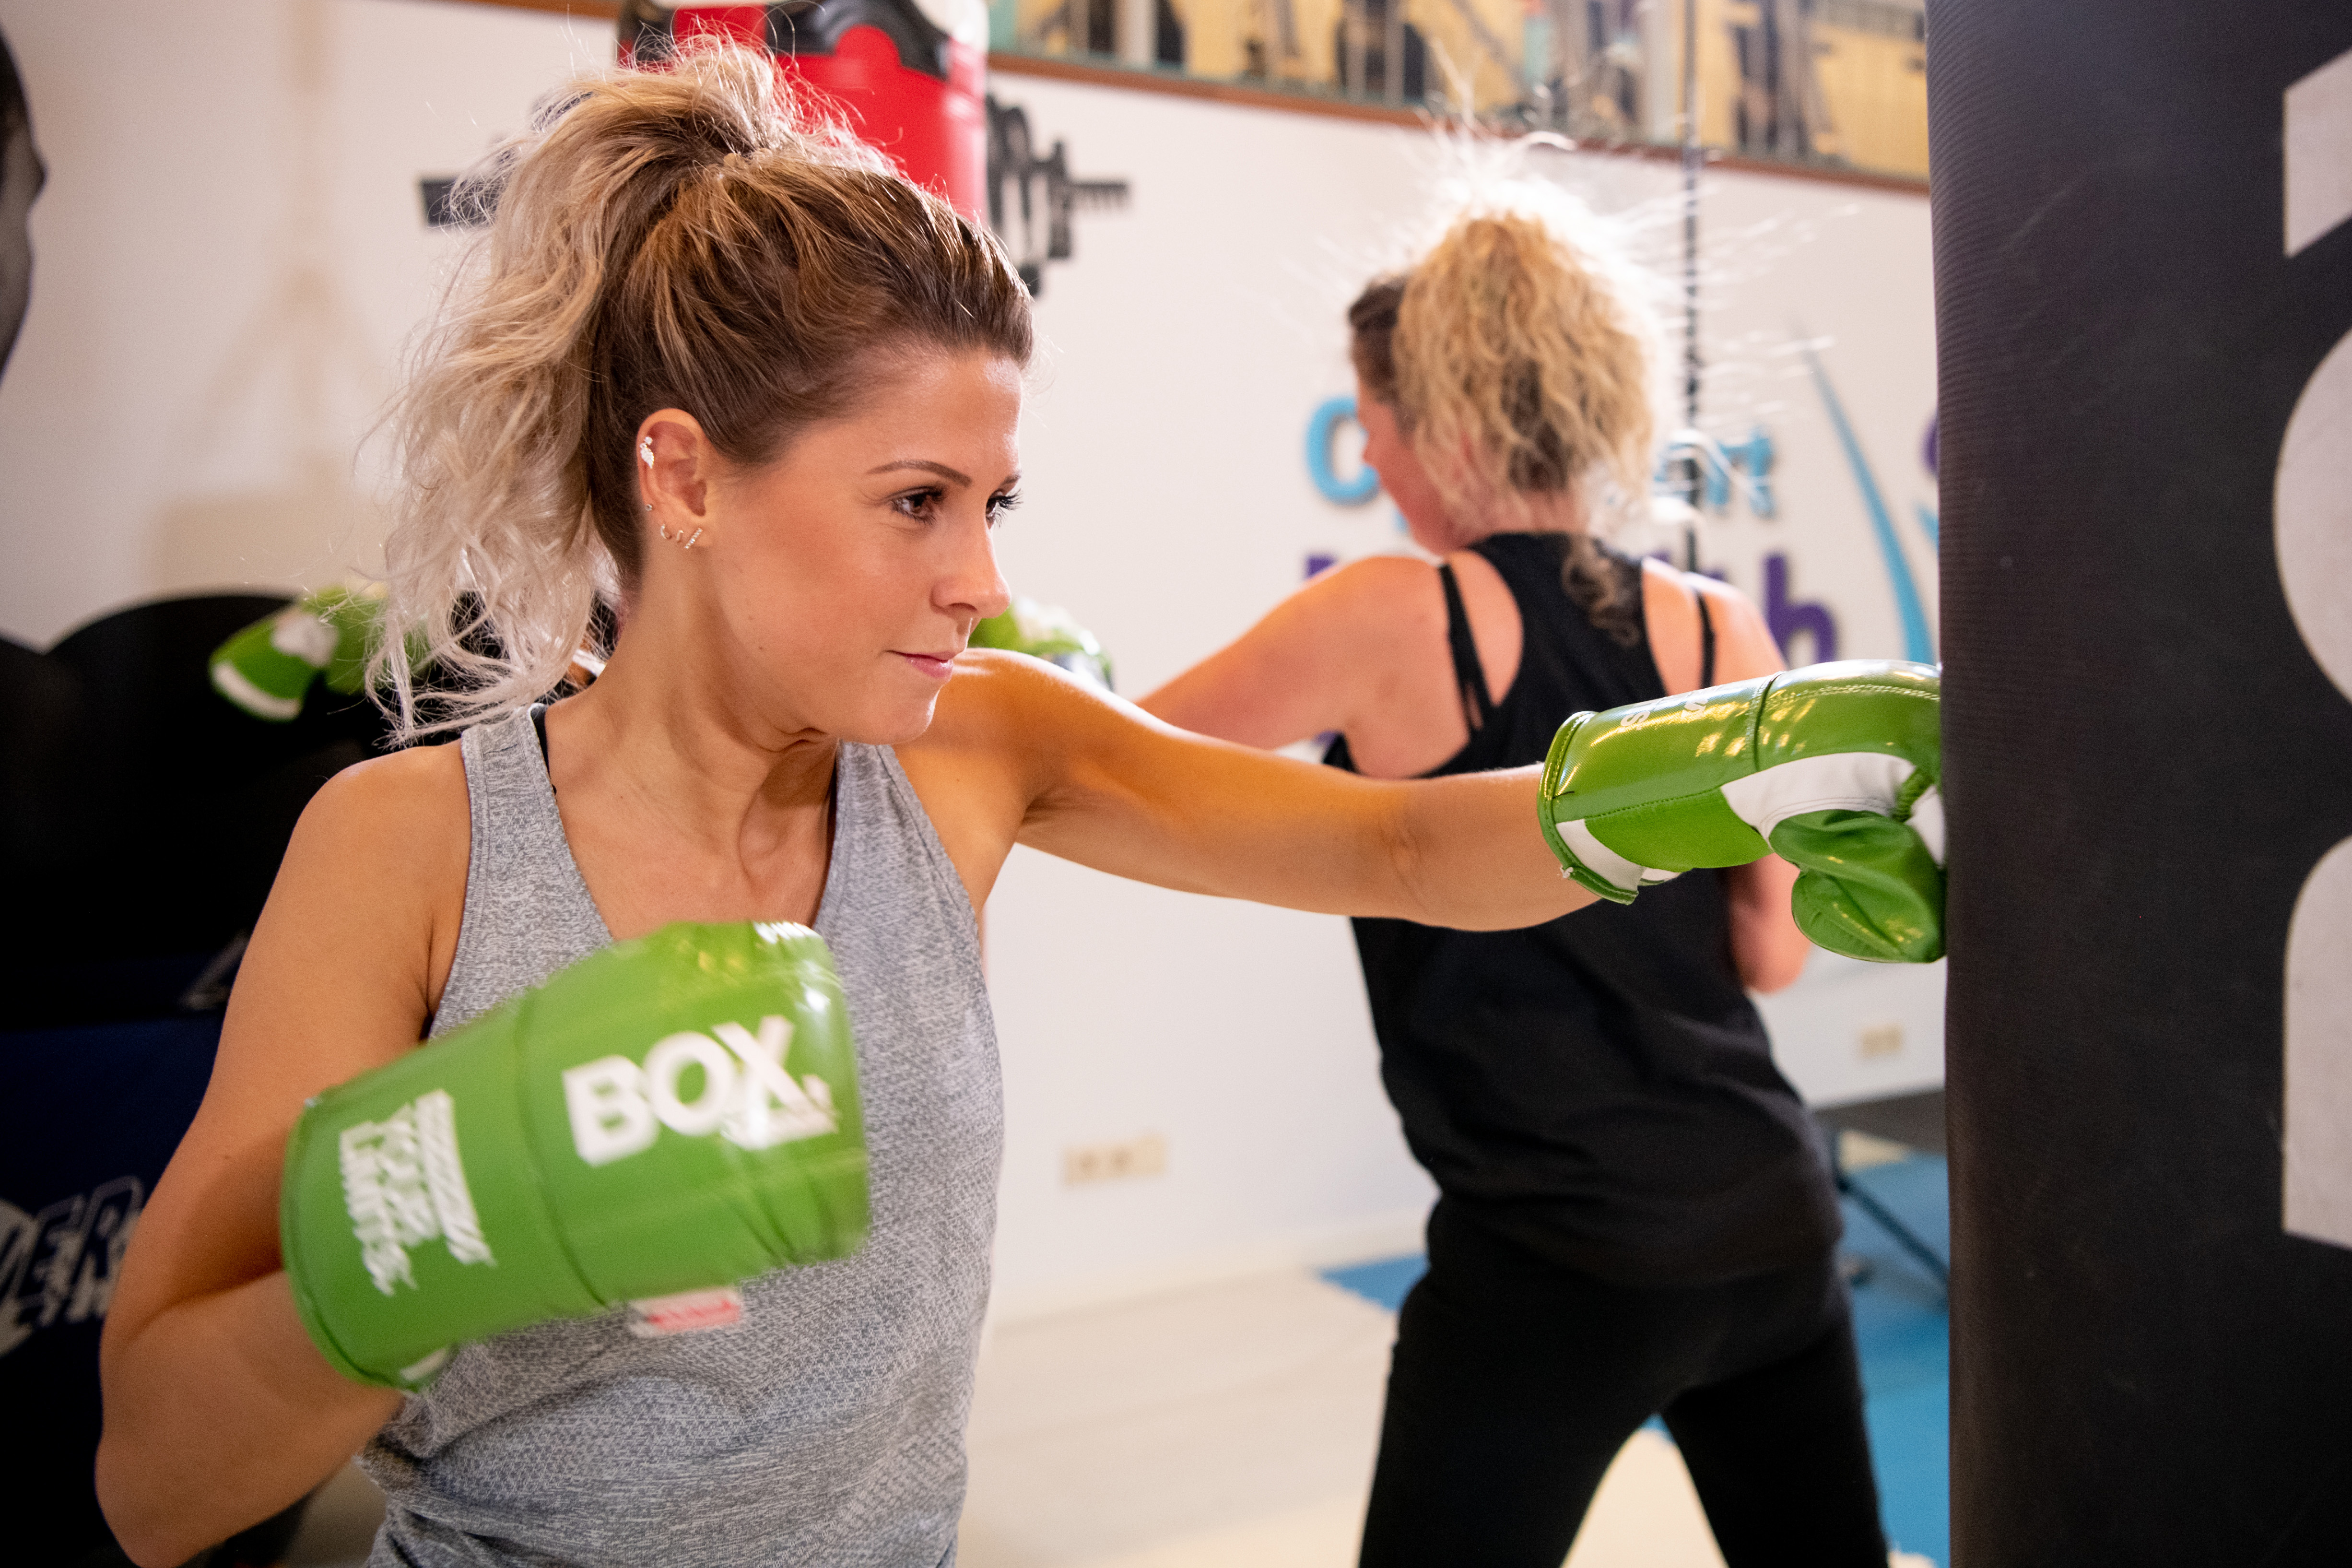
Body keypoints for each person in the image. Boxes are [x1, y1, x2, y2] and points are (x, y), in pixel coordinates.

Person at [94, 47, 1925, 1567]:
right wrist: (441, 1234)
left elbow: (1392, 842)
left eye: (998, 506)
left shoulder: (972, 753)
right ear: (686, 475)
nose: (976, 574)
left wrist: (1722, 765)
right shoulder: (412, 850)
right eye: (915, 502)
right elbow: (155, 1488)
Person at [1141, 204, 1892, 1566]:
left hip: (1557, 1262)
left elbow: (1102, 762)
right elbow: (1771, 959)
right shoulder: (1724, 626)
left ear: (1445, 418)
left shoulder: (1390, 612)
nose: (1367, 447)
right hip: (1769, 1227)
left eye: (1375, 416)